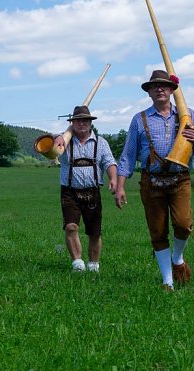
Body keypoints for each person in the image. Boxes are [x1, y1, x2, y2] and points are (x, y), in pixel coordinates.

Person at [115, 70, 194, 291]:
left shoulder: (187, 115)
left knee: (183, 225)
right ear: (149, 92)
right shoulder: (139, 120)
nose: (159, 89)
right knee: (158, 231)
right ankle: (167, 281)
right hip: (151, 181)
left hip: (180, 179)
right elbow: (128, 155)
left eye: (164, 86)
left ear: (171, 90)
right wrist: (120, 186)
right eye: (154, 87)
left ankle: (177, 259)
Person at [53, 105, 117, 273]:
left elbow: (109, 162)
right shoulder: (64, 143)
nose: (82, 123)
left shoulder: (101, 143)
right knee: (70, 227)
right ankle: (77, 263)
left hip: (92, 192)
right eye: (78, 120)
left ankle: (94, 264)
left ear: (90, 122)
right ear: (72, 123)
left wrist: (113, 178)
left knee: (94, 232)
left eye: (85, 120)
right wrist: (57, 137)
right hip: (70, 192)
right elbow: (48, 149)